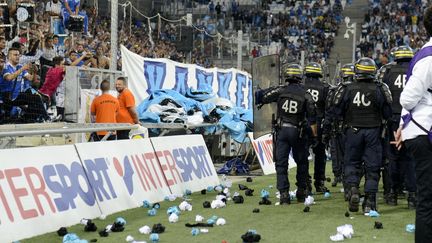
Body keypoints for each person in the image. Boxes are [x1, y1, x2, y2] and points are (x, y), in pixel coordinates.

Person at [393, 6, 432, 242]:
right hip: (425, 132)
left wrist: (401, 125)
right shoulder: (428, 58)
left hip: (420, 129)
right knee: (427, 198)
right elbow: (407, 98)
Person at [334, 57, 392, 213]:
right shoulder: (380, 88)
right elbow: (388, 113)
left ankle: (353, 189)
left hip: (352, 130)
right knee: (373, 167)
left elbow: (337, 111)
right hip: (373, 131)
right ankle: (369, 201)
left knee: (352, 163)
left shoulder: (347, 88)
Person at [255, 64, 317, 204]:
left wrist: (259, 91)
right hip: (298, 132)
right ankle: (301, 191)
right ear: (300, 77)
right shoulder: (306, 93)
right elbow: (312, 116)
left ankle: (284, 194)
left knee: (281, 164)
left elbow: (261, 96)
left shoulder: (280, 90)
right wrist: (314, 137)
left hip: (282, 131)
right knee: (302, 163)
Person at [378, 45, 416, 209]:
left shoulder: (388, 72)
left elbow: (382, 97)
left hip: (393, 119)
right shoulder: (416, 70)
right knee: (411, 158)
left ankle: (392, 192)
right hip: (412, 120)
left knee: (393, 156)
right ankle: (413, 196)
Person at [0, 47, 48, 122]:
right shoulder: (6, 67)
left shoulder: (19, 66)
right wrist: (22, 69)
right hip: (6, 97)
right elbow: (9, 78)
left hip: (17, 96)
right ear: (9, 56)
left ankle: (45, 118)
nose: (17, 57)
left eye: (18, 55)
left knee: (35, 98)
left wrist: (34, 71)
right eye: (15, 55)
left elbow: (30, 78)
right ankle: (25, 119)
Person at [303, 62, 329, 193]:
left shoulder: (301, 86)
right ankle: (319, 182)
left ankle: (305, 183)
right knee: (320, 154)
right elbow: (329, 108)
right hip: (319, 123)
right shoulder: (324, 87)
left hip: (303, 123)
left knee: (303, 154)